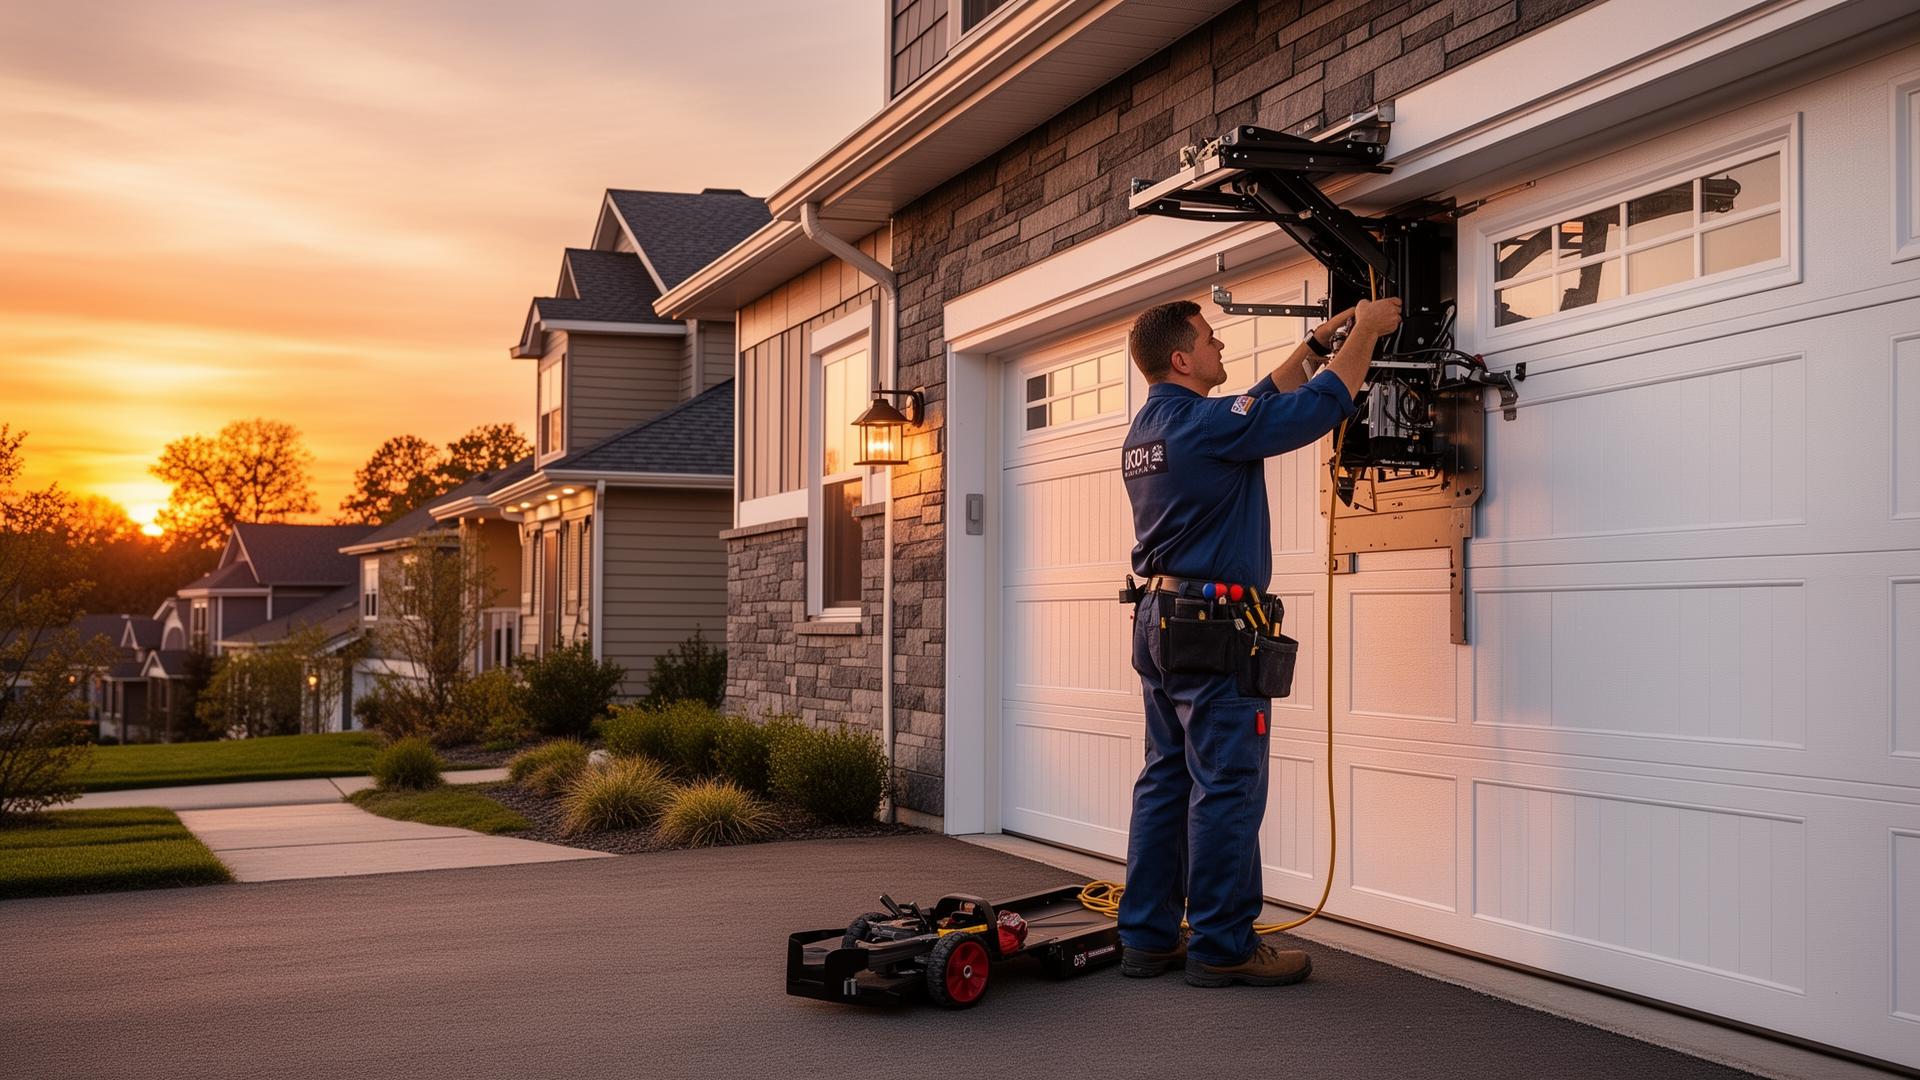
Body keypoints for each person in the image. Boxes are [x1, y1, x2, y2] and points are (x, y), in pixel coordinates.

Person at [1115, 294, 1402, 987]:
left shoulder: (1152, 430)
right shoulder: (1203, 428)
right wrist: (1363, 333)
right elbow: (1318, 408)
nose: (1220, 350)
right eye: (1210, 342)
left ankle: (1149, 937)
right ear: (1181, 358)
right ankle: (1221, 946)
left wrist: (1312, 345)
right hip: (1211, 630)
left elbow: (1252, 402)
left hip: (1160, 622)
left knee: (1166, 779)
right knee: (1226, 785)